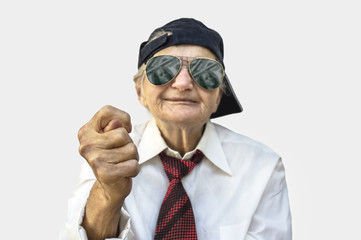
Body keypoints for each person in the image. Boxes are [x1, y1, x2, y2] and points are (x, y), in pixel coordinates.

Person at [60, 18, 292, 240]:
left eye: (204, 72)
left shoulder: (262, 167)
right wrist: (108, 192)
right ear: (140, 92)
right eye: (162, 69)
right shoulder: (109, 153)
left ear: (219, 95)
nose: (182, 84)